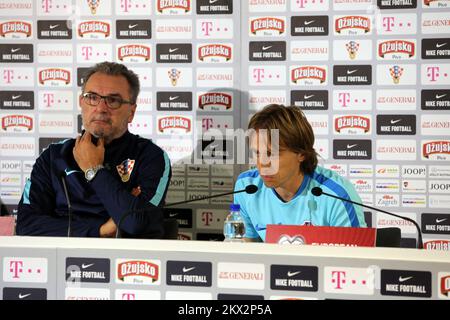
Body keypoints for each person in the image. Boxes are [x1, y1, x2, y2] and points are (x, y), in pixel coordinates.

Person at [16, 62, 172, 238]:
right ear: (82, 102)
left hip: (125, 260)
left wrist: (94, 170)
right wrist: (101, 230)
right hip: (61, 259)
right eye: (92, 97)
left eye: (113, 100)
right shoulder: (53, 156)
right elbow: (25, 226)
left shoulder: (151, 157)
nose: (100, 108)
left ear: (131, 112)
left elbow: (137, 223)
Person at [234, 104, 367, 242]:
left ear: (301, 154)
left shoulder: (338, 196)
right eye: (257, 153)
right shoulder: (246, 188)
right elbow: (248, 249)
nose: (262, 163)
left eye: (271, 154)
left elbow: (355, 259)